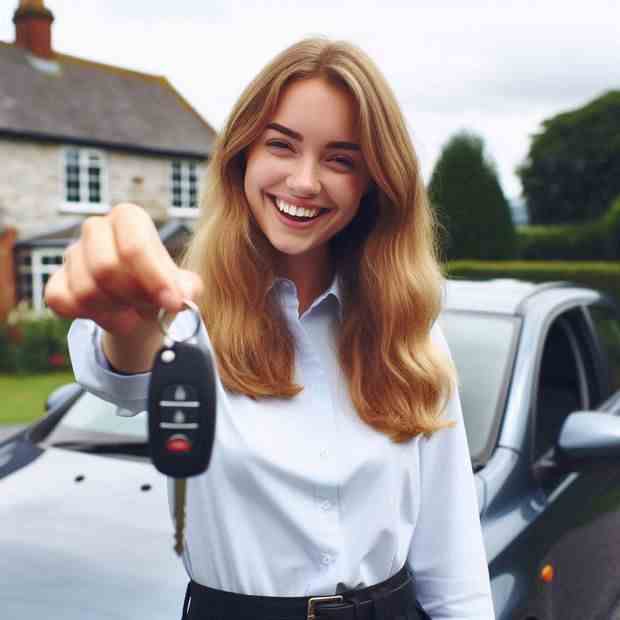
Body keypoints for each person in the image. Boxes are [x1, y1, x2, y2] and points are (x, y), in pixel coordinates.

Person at [45, 37, 495, 619]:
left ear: (373, 183)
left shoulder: (412, 333)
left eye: (340, 159)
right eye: (281, 145)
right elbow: (122, 373)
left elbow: (453, 566)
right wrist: (121, 319)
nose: (304, 182)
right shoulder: (186, 315)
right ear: (242, 156)